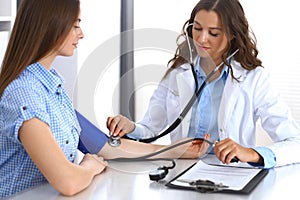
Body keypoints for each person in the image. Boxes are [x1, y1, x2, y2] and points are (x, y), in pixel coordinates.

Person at [0, 0, 206, 198]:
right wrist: (88, 167)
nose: (81, 34)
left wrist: (174, 151)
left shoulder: (53, 89)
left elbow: (105, 147)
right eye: (75, 25)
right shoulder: (24, 93)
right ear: (51, 25)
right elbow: (69, 182)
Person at [107, 0, 300, 169]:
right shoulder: (177, 73)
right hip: (179, 173)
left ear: (233, 34)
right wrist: (130, 127)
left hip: (231, 176)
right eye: (197, 28)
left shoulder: (254, 79)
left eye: (213, 33)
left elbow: (294, 143)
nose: (201, 39)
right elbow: (150, 128)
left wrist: (251, 153)